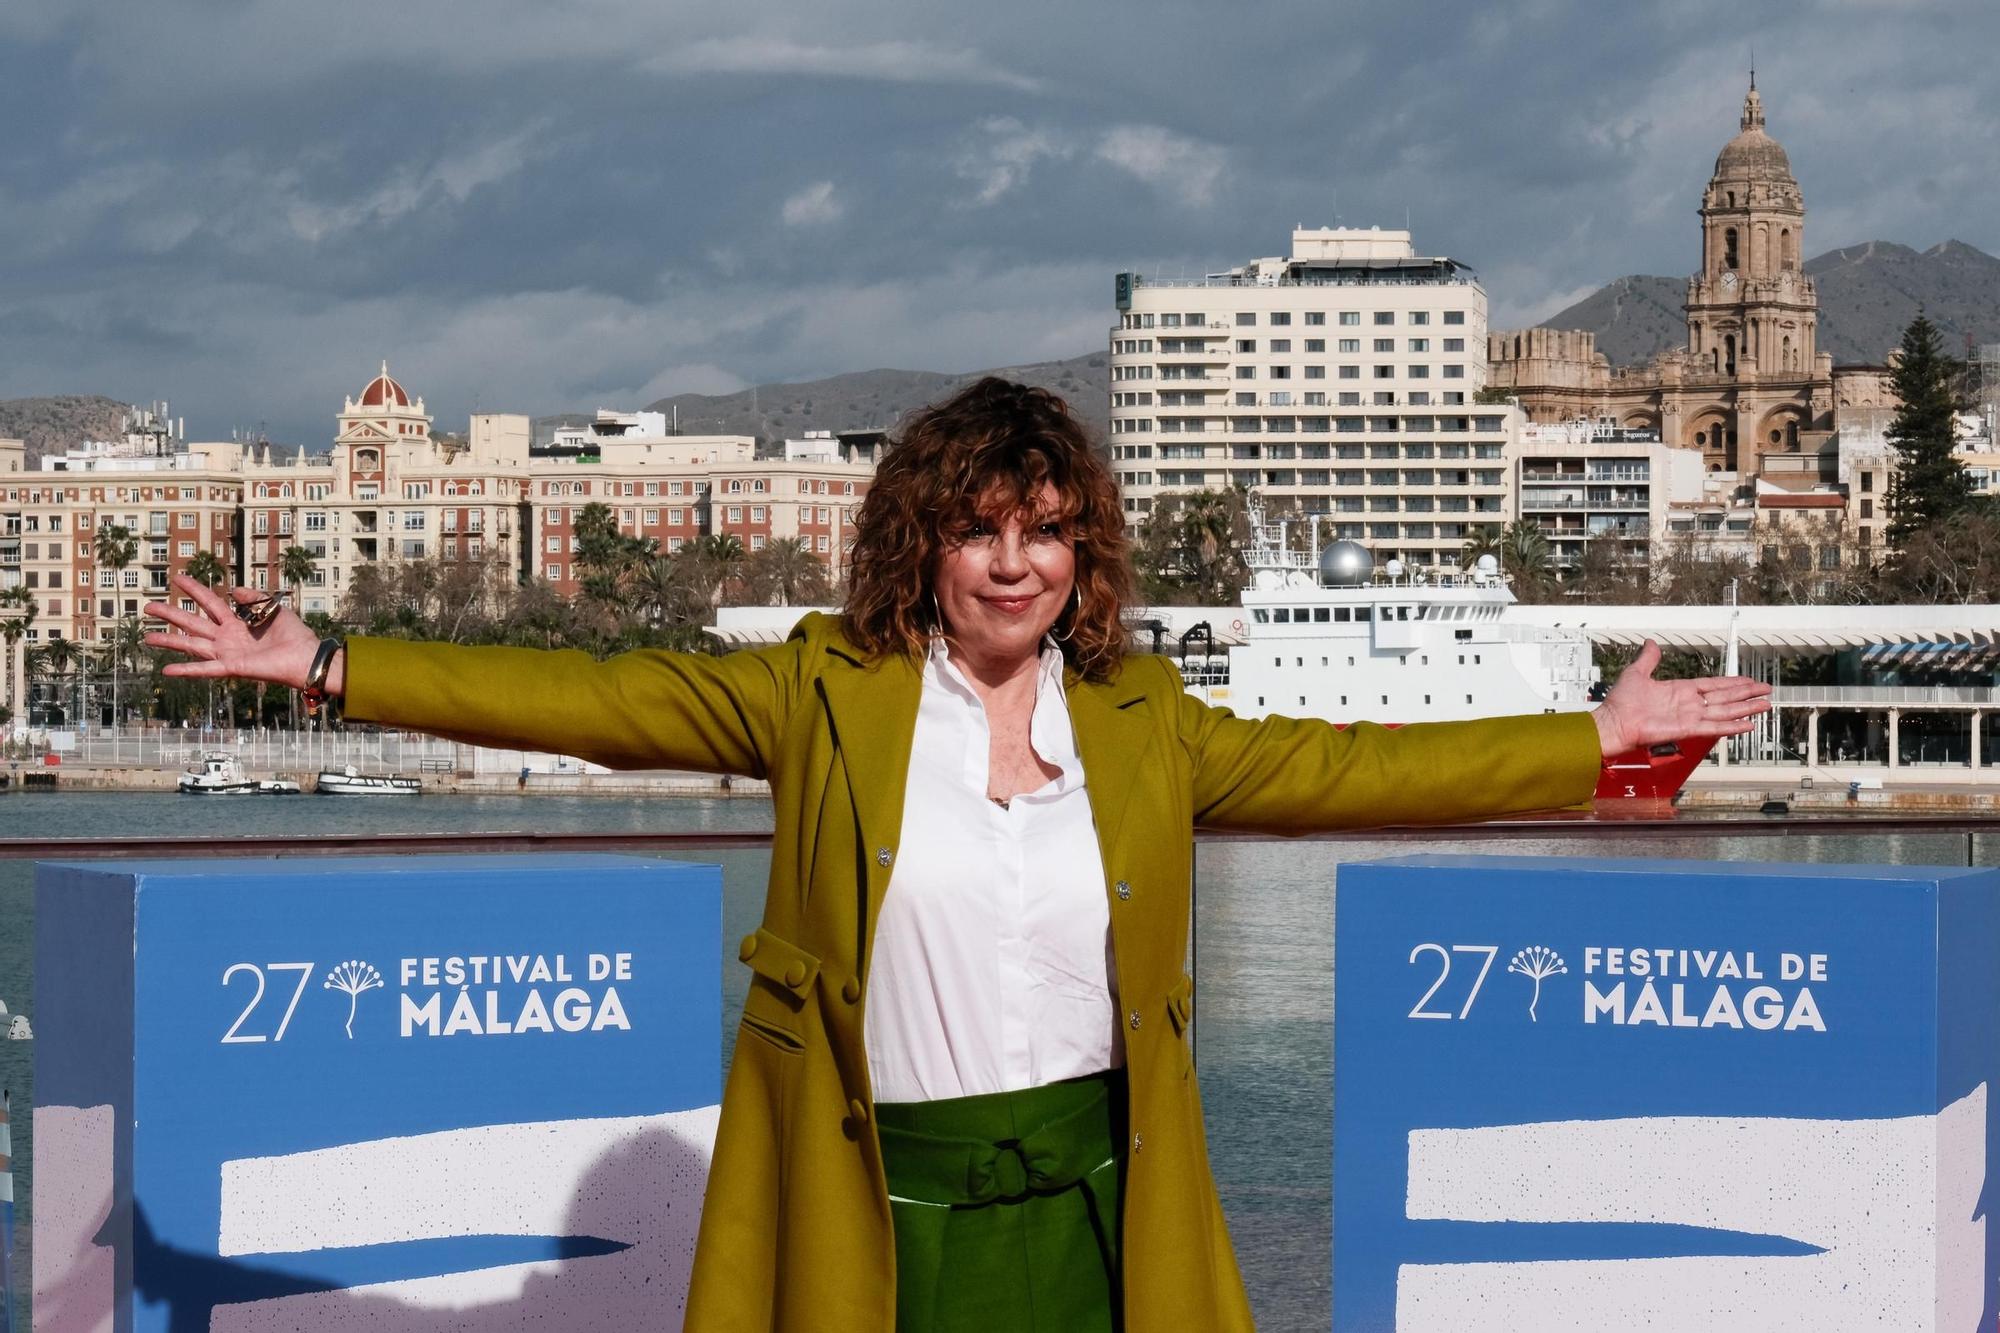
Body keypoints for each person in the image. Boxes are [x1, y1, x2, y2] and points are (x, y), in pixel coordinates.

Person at [145, 378, 1770, 1332]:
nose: (1014, 563)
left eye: (1047, 530)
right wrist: (338, 663)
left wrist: (1596, 737)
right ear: (923, 538)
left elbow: (1355, 766)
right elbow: (606, 700)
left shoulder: (1143, 719)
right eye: (982, 527)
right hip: (880, 1208)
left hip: (1098, 1208)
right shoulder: (821, 691)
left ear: (1085, 550)